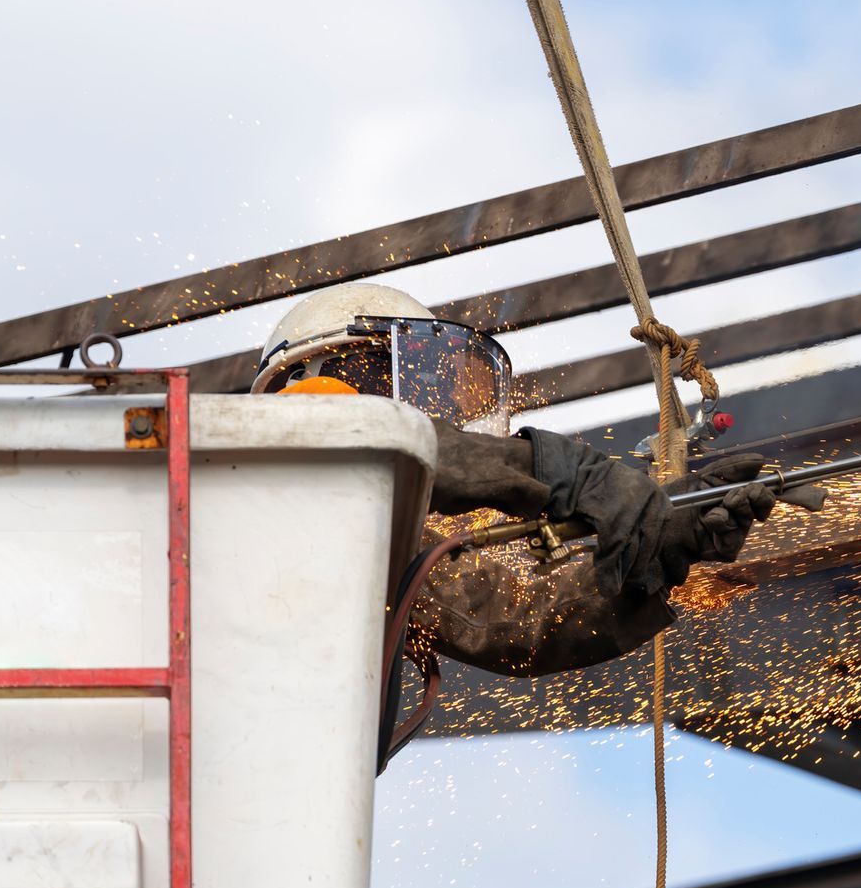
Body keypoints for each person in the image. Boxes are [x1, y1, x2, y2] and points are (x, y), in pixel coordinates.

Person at [251, 282, 799, 680]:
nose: (422, 414)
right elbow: (409, 446)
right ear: (320, 373)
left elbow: (518, 622)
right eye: (408, 387)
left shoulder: (375, 540)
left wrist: (668, 549)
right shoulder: (275, 455)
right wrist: (574, 478)